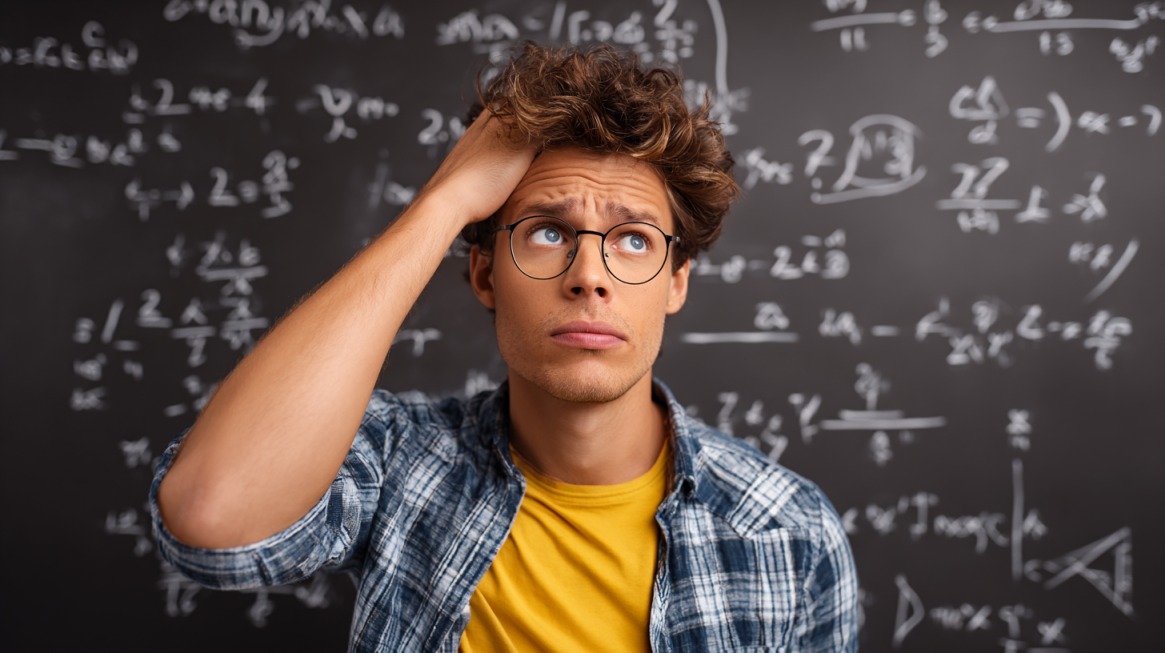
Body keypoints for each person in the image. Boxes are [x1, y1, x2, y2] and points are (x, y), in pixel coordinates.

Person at [149, 41, 859, 652]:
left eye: (633, 239)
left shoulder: (786, 530)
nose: (589, 277)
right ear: (484, 272)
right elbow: (213, 520)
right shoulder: (400, 464)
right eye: (547, 231)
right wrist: (445, 202)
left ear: (675, 282)